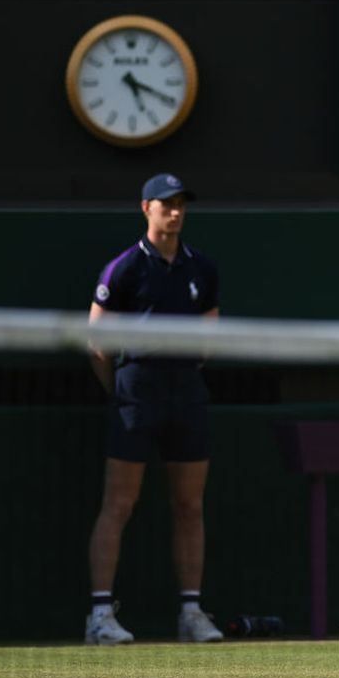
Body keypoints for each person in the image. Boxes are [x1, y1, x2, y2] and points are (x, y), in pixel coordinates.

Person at [84, 173, 223, 645]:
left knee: (189, 504)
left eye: (181, 203)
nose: (175, 212)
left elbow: (209, 336)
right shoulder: (122, 269)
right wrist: (122, 391)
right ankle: (100, 615)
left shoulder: (201, 269)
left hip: (186, 392)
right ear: (146, 209)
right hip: (135, 393)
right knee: (119, 504)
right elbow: (96, 342)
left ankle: (190, 612)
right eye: (166, 204)